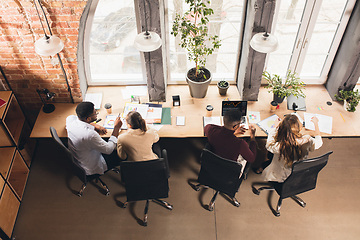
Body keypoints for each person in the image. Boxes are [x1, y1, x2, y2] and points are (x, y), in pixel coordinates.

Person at [261, 114, 323, 182]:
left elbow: (269, 145)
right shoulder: (308, 140)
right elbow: (319, 142)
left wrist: (276, 127)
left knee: (269, 157)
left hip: (280, 176)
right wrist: (316, 124)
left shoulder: (280, 146)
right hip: (298, 172)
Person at [66, 101, 122, 175]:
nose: (96, 114)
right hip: (91, 166)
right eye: (95, 113)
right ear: (88, 118)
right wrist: (116, 128)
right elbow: (108, 150)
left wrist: (96, 126)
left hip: (79, 157)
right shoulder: (90, 134)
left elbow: (80, 120)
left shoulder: (70, 119)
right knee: (121, 152)